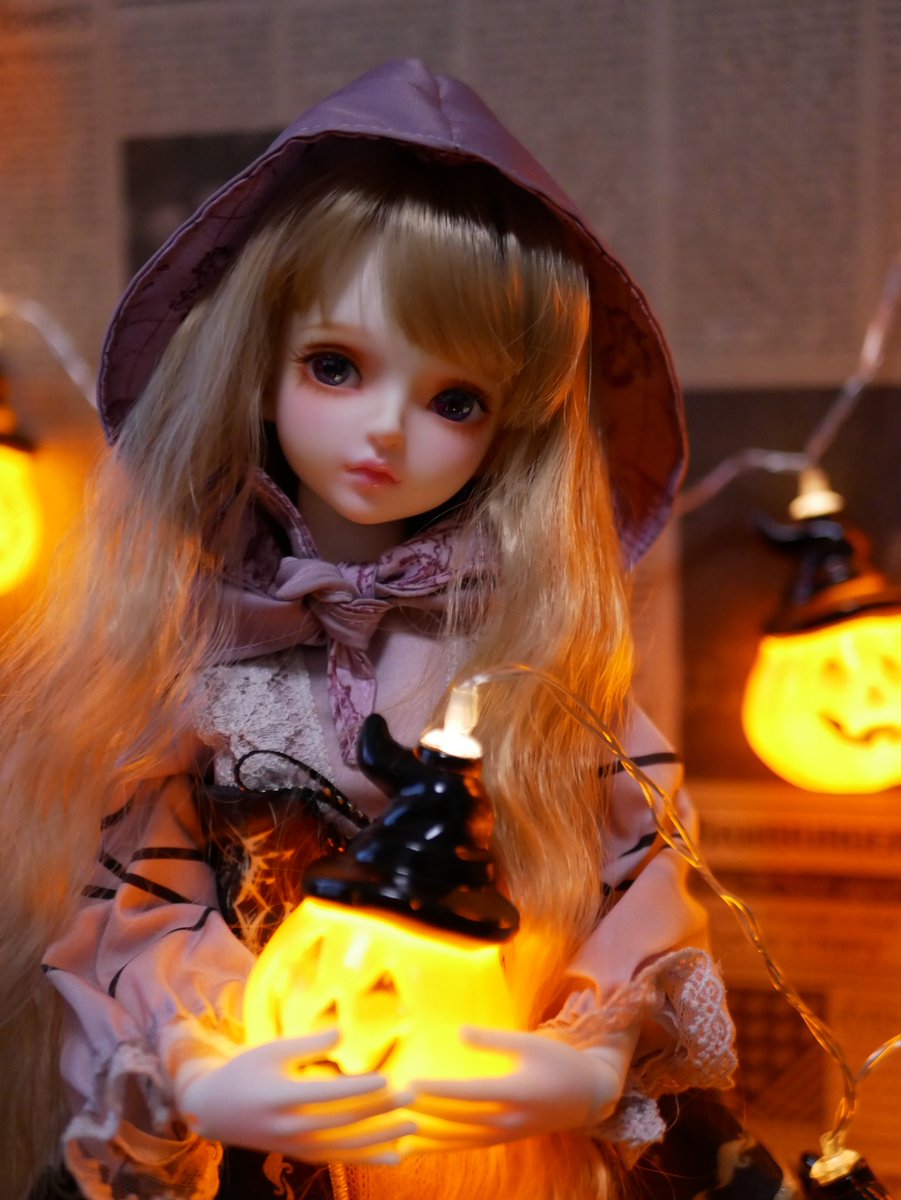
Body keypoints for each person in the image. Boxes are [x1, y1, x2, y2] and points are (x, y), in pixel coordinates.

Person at [1, 60, 737, 1200]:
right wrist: (195, 1066)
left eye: (456, 401)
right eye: (334, 367)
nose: (386, 432)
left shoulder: (526, 661)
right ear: (257, 363)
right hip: (259, 1124)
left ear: (513, 427)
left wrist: (587, 1056)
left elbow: (642, 868)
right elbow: (133, 899)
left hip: (462, 1133)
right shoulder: (195, 647)